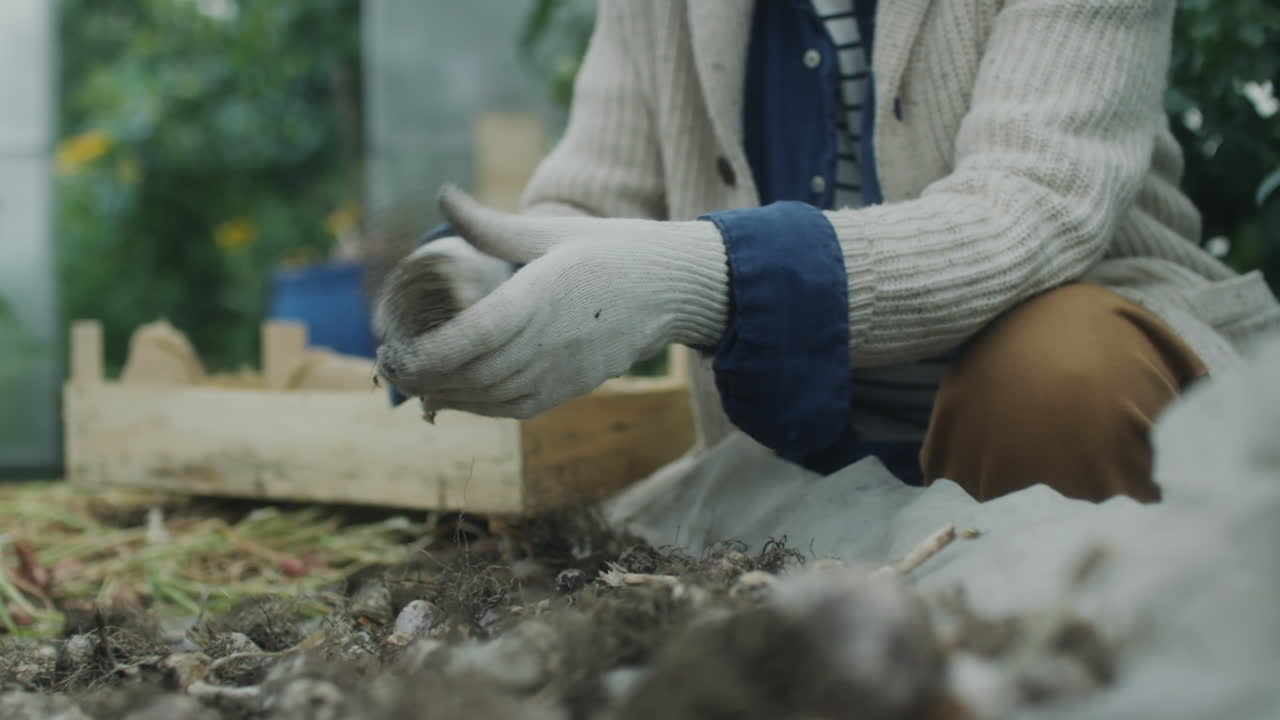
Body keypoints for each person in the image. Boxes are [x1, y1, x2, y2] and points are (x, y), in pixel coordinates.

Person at [373, 0, 1280, 505]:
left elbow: (1034, 205)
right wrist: (472, 278)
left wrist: (714, 276)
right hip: (804, 438)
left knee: (1059, 380)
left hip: (1048, 397)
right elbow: (592, 196)